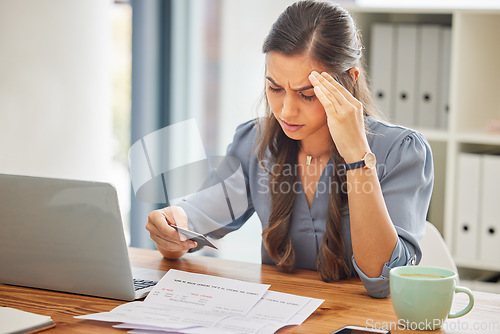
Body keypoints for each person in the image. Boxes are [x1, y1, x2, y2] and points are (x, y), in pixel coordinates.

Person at [146, 0, 433, 298]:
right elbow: (191, 225)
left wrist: (357, 158)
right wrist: (169, 228)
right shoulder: (254, 143)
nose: (286, 112)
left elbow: (382, 280)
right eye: (275, 88)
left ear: (349, 81)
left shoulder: (402, 152)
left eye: (306, 94)